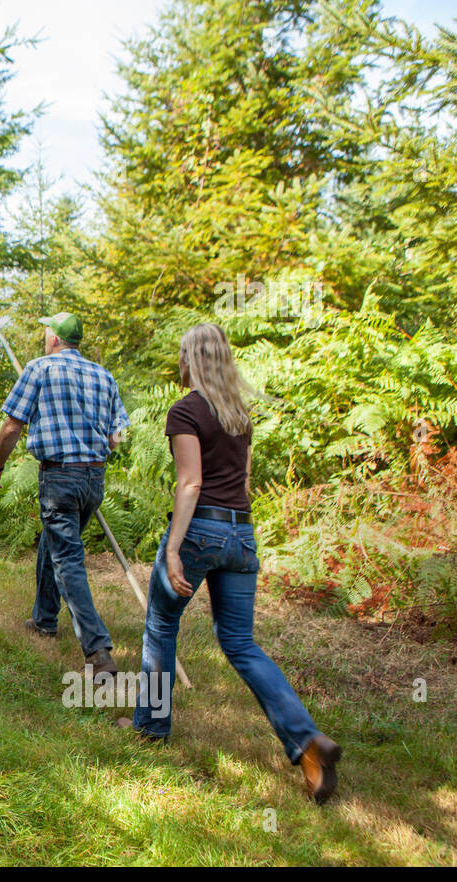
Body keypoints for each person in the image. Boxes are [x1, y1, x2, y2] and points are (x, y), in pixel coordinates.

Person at [117, 323, 342, 804]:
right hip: (242, 532)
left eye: (181, 354)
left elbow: (190, 484)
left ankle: (151, 728)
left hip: (201, 530)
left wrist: (174, 547)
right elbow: (238, 479)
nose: (178, 362)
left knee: (160, 625)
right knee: (241, 642)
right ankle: (306, 741)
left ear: (190, 359)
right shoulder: (239, 414)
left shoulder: (186, 410)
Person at [0, 311, 130, 681]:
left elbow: (11, 426)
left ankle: (98, 650)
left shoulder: (39, 368)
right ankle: (43, 619)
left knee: (67, 559)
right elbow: (119, 434)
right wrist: (95, 447)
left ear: (54, 338)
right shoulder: (104, 375)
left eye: (46, 331)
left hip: (60, 477)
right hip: (94, 479)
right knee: (54, 545)